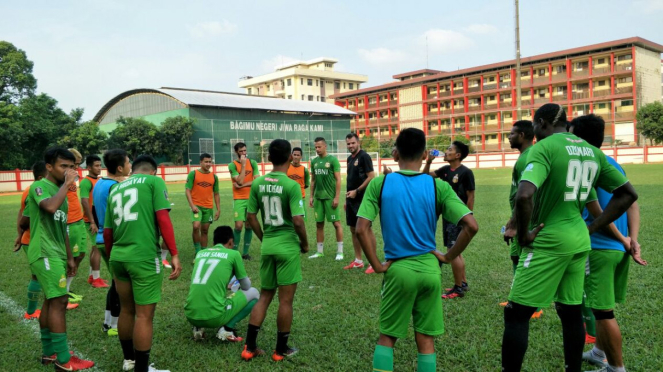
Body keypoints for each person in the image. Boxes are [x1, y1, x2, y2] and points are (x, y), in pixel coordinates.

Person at [502, 103, 638, 372]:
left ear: (541, 123)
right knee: (570, 311)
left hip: (548, 241)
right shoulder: (591, 151)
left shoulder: (543, 148)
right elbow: (628, 194)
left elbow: (525, 194)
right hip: (578, 241)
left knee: (516, 314)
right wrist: (593, 226)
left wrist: (526, 233)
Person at [355, 128, 478, 372]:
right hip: (430, 271)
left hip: (398, 270)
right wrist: (446, 256)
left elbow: (361, 229)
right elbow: (471, 226)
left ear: (395, 153)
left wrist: (377, 265)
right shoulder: (438, 186)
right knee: (425, 339)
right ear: (424, 155)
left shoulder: (381, 183)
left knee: (387, 337)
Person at [569, 114, 646, 372]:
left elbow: (598, 211)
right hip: (620, 249)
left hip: (601, 248)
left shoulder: (587, 166)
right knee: (601, 306)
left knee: (602, 312)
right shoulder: (613, 163)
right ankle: (599, 352)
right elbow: (632, 201)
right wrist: (632, 239)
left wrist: (624, 238)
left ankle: (616, 368)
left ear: (576, 137)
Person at [104, 154, 182, 372]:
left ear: (133, 169)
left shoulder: (115, 188)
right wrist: (174, 253)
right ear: (154, 171)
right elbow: (163, 218)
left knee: (127, 311)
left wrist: (112, 259)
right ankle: (142, 368)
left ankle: (129, 360)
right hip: (144, 257)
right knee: (144, 315)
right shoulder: (154, 181)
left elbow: (108, 232)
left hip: (118, 257)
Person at [24, 146, 95, 370]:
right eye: (63, 166)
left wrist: (70, 258)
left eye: (72, 167)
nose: (69, 171)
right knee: (60, 301)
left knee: (51, 300)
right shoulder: (40, 187)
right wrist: (67, 184)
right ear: (49, 167)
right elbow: (49, 207)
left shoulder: (59, 191)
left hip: (55, 252)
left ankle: (50, 353)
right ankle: (64, 360)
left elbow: (62, 227)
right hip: (44, 252)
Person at [241, 139, 309, 362]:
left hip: (268, 246)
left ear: (269, 158)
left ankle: (249, 347)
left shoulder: (258, 183)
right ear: (290, 157)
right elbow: (298, 221)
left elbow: (250, 217)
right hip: (287, 246)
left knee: (265, 296)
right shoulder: (291, 185)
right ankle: (280, 350)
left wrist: (264, 238)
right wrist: (305, 244)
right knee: (285, 301)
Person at [185, 226, 259, 342]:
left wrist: (227, 285)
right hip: (214, 317)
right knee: (254, 293)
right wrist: (237, 283)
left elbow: (208, 280)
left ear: (214, 242)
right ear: (230, 242)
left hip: (190, 315)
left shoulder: (200, 254)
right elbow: (246, 286)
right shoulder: (233, 254)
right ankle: (227, 328)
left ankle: (198, 327)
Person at [422, 141, 475, 299]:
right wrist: (429, 161)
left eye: (449, 150)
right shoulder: (445, 170)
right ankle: (463, 283)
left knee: (454, 252)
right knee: (456, 251)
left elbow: (471, 195)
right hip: (448, 216)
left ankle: (458, 288)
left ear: (457, 155)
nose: (446, 151)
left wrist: (467, 216)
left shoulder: (466, 172)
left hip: (458, 217)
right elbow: (425, 177)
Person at [501, 121, 542, 318]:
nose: (508, 137)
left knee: (526, 258)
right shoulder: (524, 157)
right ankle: (516, 299)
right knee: (516, 256)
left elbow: (527, 195)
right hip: (517, 217)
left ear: (523, 135)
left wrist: (516, 224)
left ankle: (533, 306)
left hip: (525, 220)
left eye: (512, 133)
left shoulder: (528, 158)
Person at [93, 149, 132, 337]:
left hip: (102, 237)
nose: (130, 166)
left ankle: (109, 322)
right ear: (119, 167)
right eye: (128, 163)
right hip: (113, 239)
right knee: (121, 285)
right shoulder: (114, 187)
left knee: (116, 283)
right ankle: (113, 324)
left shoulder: (100, 183)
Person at [14, 161, 52, 319]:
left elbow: (20, 213)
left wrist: (19, 235)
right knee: (40, 275)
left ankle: (35, 309)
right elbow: (25, 218)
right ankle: (32, 311)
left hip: (30, 239)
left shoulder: (31, 190)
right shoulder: (36, 191)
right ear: (42, 176)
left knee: (39, 275)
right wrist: (21, 235)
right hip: (34, 241)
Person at [342, 133, 376, 273]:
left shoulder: (364, 156)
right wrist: (347, 199)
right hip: (351, 199)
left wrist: (357, 190)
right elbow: (350, 180)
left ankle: (373, 263)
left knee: (366, 229)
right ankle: (358, 260)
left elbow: (371, 177)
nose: (350, 146)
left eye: (352, 143)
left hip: (363, 198)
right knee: (352, 229)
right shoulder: (349, 159)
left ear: (358, 142)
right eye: (348, 144)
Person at [308, 137, 343, 260]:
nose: (317, 149)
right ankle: (319, 251)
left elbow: (338, 179)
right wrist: (311, 196)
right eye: (315, 147)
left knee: (336, 224)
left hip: (330, 197)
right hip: (318, 198)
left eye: (319, 147)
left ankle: (340, 252)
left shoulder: (332, 160)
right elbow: (313, 181)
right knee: (319, 224)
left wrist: (337, 197)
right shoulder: (314, 162)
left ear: (325, 146)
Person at [79, 154, 108, 288]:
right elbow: (84, 201)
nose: (99, 168)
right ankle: (96, 279)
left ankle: (92, 276)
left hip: (97, 218)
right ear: (89, 167)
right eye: (96, 166)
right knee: (98, 248)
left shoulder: (98, 180)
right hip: (92, 220)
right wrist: (91, 221)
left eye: (100, 165)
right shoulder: (86, 182)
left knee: (95, 248)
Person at [185, 153, 220, 259]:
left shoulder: (214, 177)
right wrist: (192, 206)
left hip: (208, 207)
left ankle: (203, 253)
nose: (208, 164)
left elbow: (216, 194)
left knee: (204, 230)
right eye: (206, 162)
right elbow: (187, 190)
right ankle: (198, 252)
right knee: (196, 227)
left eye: (210, 162)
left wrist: (218, 209)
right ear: (200, 162)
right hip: (196, 206)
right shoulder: (193, 174)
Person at [228, 143, 260, 260]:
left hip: (251, 198)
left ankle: (245, 253)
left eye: (245, 151)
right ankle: (235, 253)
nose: (243, 153)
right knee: (238, 226)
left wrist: (243, 185)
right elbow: (239, 180)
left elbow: (256, 180)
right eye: (241, 151)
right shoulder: (232, 165)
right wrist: (243, 166)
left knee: (249, 225)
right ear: (236, 152)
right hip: (239, 199)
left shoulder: (253, 163)